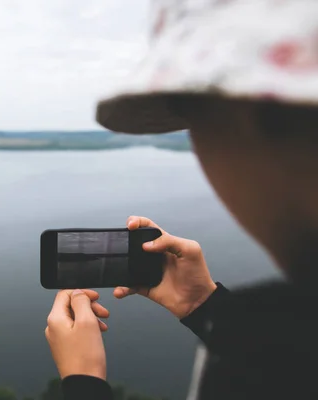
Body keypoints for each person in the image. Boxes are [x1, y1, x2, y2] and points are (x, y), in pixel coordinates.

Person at [44, 1, 318, 399]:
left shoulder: (263, 361)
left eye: (192, 114)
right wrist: (204, 305)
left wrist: (83, 380)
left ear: (252, 114)